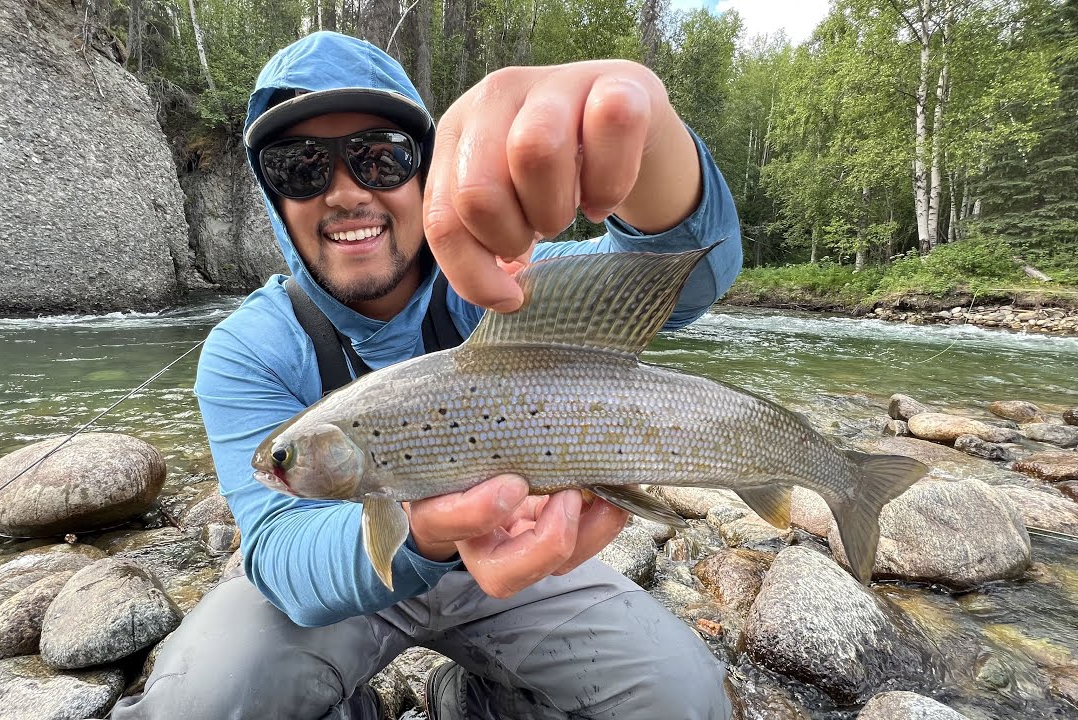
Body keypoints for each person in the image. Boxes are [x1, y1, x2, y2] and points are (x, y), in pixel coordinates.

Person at [111, 30, 742, 720]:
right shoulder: (247, 349)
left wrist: (647, 135)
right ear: (272, 197)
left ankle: (476, 702)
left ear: (427, 173)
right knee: (199, 704)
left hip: (518, 565)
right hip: (342, 575)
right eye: (300, 167)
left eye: (380, 157)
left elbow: (685, 274)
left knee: (681, 700)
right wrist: (427, 534)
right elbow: (281, 552)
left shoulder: (511, 288)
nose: (346, 192)